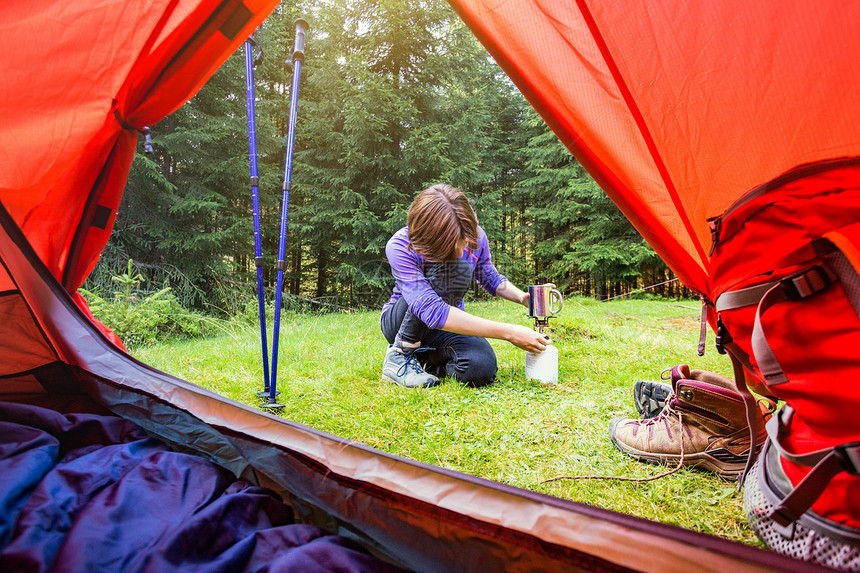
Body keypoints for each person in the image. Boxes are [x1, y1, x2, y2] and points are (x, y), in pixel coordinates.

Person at [379, 183, 550, 388]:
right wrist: (510, 332)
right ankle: (400, 354)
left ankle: (425, 362)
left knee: (480, 369)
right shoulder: (399, 245)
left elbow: (488, 275)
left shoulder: (472, 233)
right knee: (456, 268)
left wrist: (522, 298)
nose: (462, 253)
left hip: (446, 324)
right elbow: (430, 309)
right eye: (453, 247)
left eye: (463, 244)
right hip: (401, 323)